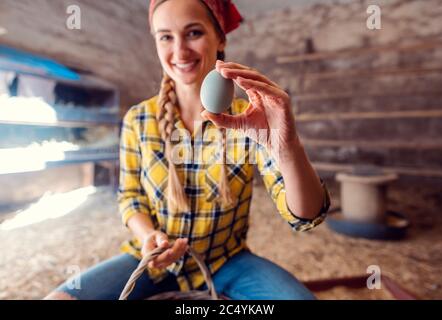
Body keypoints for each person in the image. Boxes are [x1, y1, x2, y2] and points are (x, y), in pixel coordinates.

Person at [45, 0, 330, 300]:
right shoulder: (138, 120)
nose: (179, 51)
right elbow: (130, 198)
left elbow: (305, 217)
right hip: (153, 264)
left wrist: (288, 147)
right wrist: (148, 239)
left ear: (220, 38)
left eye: (193, 33)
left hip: (227, 261)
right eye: (166, 36)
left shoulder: (249, 120)